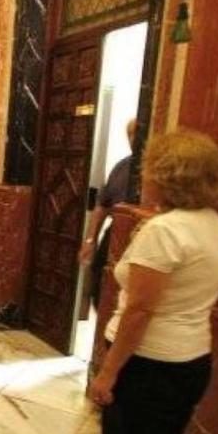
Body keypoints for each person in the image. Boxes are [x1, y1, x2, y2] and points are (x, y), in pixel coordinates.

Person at [88, 130, 218, 434]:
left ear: (166, 176)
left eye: (150, 169)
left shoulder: (165, 231)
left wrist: (109, 372)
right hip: (191, 361)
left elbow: (140, 311)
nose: (144, 177)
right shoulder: (216, 227)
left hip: (148, 367)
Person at [79, 119, 138, 307]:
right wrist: (90, 240)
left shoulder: (154, 172)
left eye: (136, 134)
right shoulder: (121, 167)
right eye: (130, 134)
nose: (132, 139)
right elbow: (102, 206)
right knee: (99, 287)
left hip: (137, 238)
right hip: (113, 235)